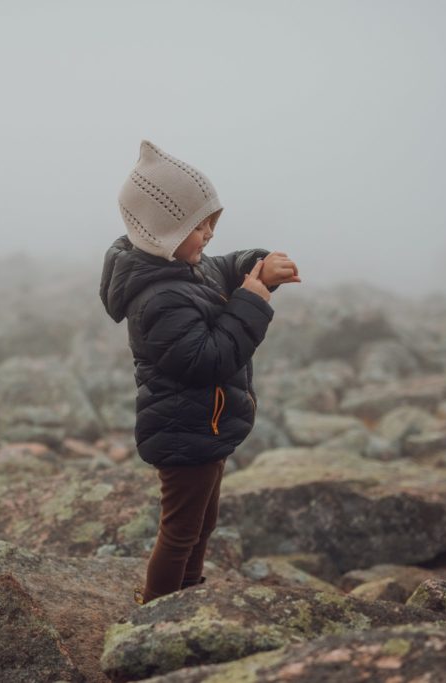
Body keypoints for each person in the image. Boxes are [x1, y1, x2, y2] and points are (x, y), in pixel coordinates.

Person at [99, 139, 300, 605]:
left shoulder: (185, 266)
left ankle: (185, 594)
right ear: (163, 233)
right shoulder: (158, 298)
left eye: (213, 221)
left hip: (204, 427)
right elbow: (207, 359)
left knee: (202, 524)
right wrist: (252, 303)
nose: (209, 234)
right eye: (199, 225)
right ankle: (156, 610)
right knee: (180, 531)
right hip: (182, 431)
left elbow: (222, 268)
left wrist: (257, 264)